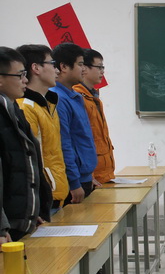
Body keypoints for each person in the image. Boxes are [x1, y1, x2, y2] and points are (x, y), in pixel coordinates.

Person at [0, 46, 52, 241]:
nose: (25, 80)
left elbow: (27, 164)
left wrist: (32, 210)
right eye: (20, 75)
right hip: (6, 227)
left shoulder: (14, 109)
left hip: (18, 220)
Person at [16, 44, 69, 213]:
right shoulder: (26, 107)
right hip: (42, 197)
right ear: (36, 68)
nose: (57, 70)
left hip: (55, 192)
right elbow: (29, 160)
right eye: (52, 64)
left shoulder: (48, 104)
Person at [50, 43, 97, 205]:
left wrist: (89, 174)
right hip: (73, 182)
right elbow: (64, 143)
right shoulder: (58, 98)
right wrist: (74, 182)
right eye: (80, 64)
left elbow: (82, 137)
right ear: (63, 67)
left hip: (84, 176)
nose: (84, 69)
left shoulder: (75, 96)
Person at [73, 49, 115, 184]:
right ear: (84, 68)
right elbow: (79, 140)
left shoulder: (93, 97)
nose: (102, 72)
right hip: (91, 176)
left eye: (103, 67)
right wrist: (89, 176)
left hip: (103, 174)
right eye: (99, 67)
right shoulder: (78, 97)